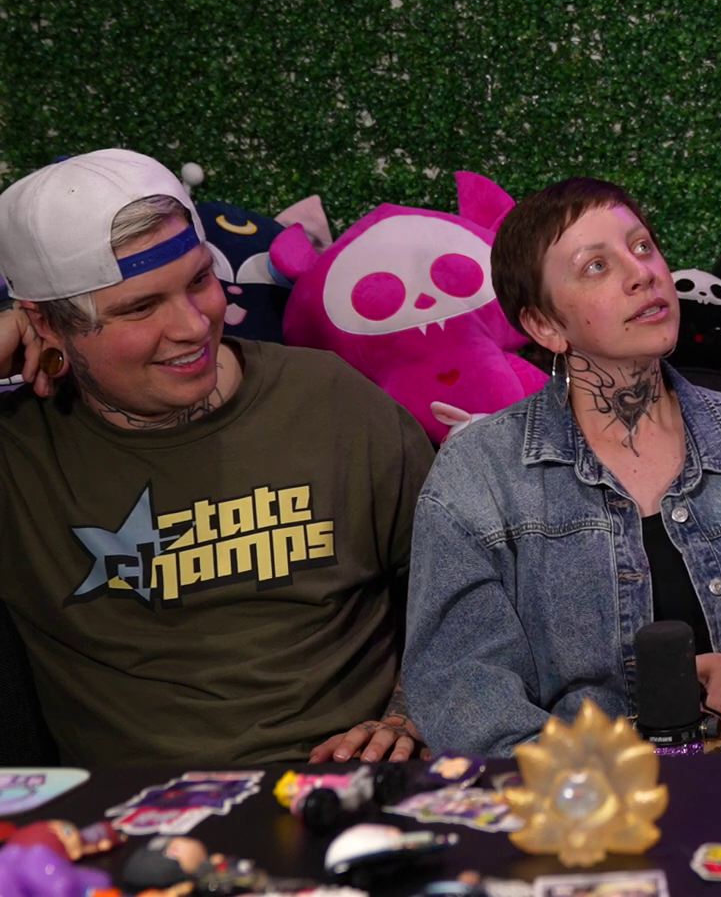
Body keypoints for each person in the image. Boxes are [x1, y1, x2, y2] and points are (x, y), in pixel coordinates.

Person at [404, 177, 721, 755]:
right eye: (596, 266)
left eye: (643, 247)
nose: (642, 273)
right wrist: (609, 780)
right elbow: (464, 692)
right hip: (581, 792)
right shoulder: (478, 475)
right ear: (545, 325)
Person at [0, 149, 432, 766]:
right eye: (141, 307)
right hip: (133, 811)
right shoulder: (18, 451)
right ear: (45, 324)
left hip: (349, 787)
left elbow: (467, 594)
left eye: (200, 280)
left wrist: (411, 713)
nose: (194, 325)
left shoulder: (333, 401)